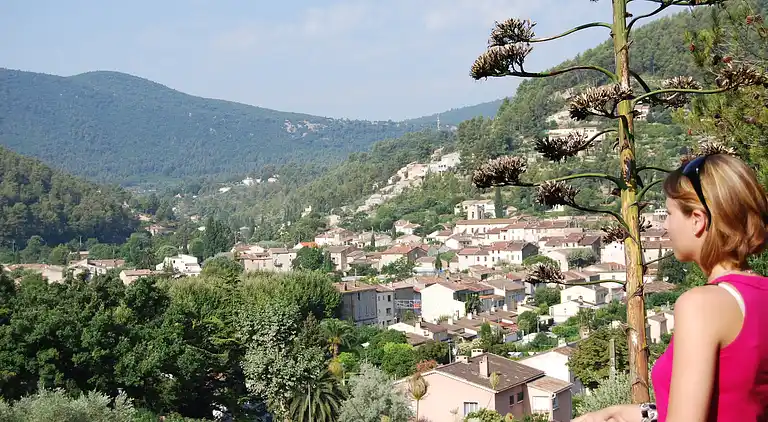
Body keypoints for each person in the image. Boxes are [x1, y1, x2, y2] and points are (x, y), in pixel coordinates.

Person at [573, 154, 768, 422]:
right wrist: (616, 413)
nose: (665, 226)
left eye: (669, 214)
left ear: (697, 220)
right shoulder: (758, 295)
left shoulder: (701, 305)